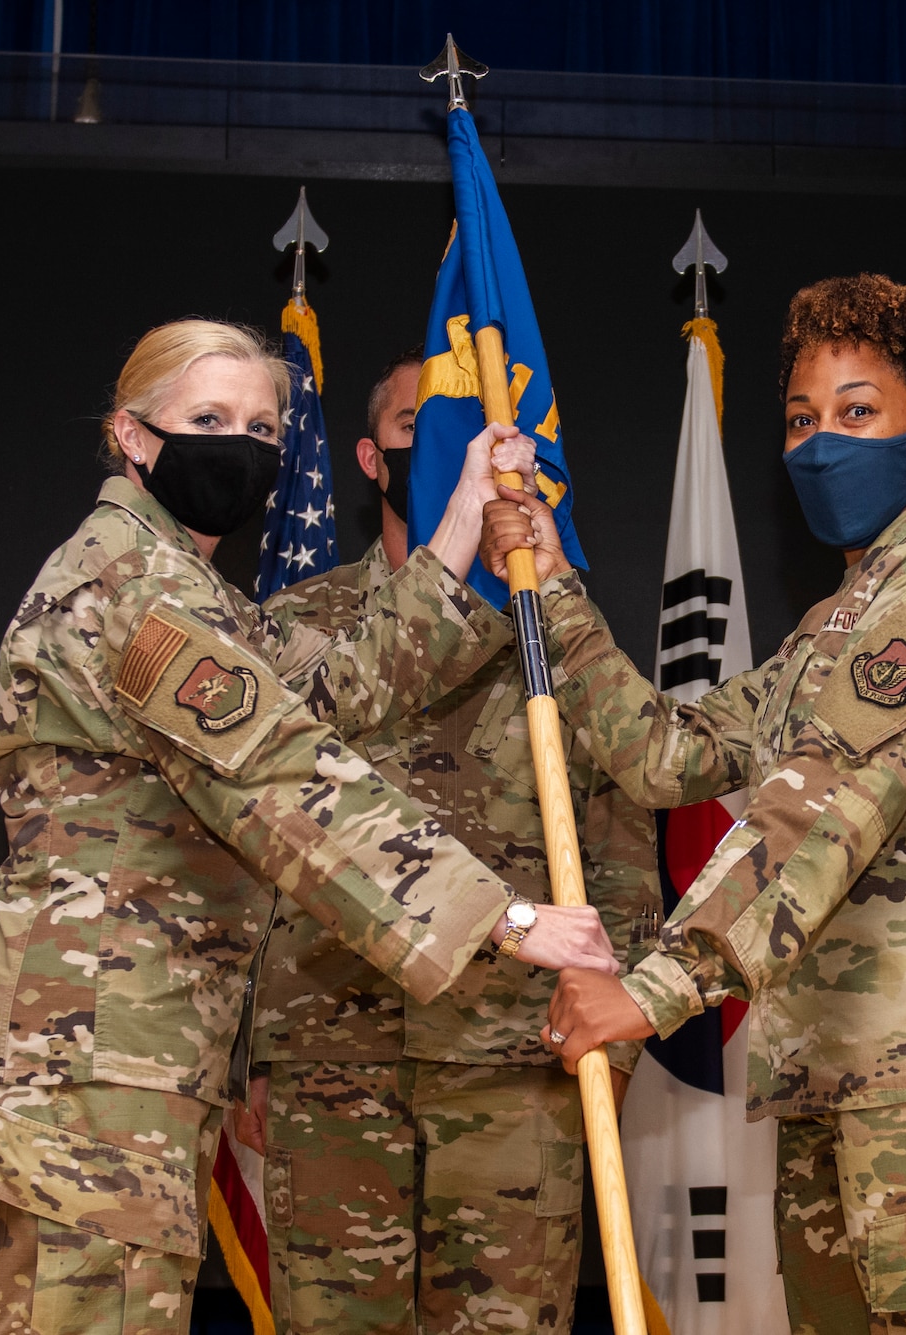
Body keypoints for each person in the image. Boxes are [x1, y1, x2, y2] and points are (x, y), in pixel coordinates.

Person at [0, 319, 617, 1335]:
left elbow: (335, 691)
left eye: (262, 426)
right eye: (206, 419)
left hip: (124, 1054)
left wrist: (467, 513)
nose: (242, 446)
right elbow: (282, 777)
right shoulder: (132, 586)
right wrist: (505, 920)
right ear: (131, 435)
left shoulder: (184, 586)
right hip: (84, 1057)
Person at [483, 277, 906, 1333]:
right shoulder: (834, 622)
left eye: (857, 413)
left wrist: (651, 989)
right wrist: (556, 585)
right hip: (837, 1073)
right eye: (800, 419)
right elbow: (670, 757)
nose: (822, 443)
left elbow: (818, 811)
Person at [233, 349, 663, 1335]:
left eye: (458, 434)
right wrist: (247, 1055)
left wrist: (622, 1021)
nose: (434, 454)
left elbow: (621, 835)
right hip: (329, 1058)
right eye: (411, 433)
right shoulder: (297, 627)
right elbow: (253, 836)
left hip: (515, 1065)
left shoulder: (551, 620)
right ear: (368, 458)